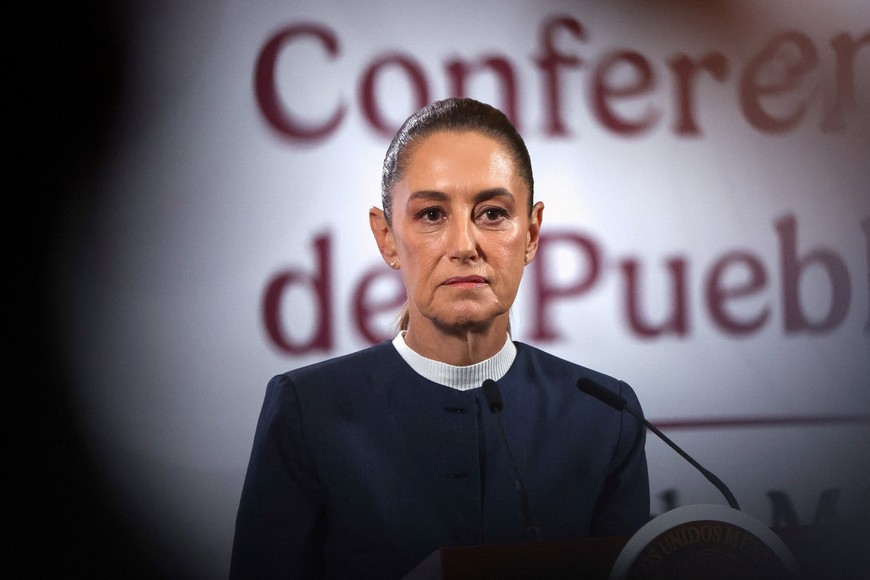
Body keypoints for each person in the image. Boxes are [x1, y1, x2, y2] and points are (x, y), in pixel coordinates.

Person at [230, 98, 649, 579]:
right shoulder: (308, 411)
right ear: (387, 237)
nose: (464, 246)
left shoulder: (605, 415)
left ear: (531, 233)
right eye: (431, 215)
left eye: (492, 213)